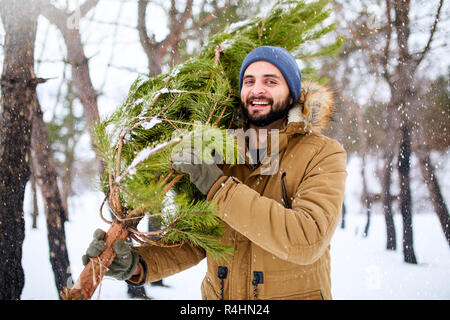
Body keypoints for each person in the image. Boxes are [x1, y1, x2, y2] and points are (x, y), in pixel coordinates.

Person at [83, 46, 347, 300]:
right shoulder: (222, 152)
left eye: (270, 81)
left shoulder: (323, 153)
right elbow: (196, 240)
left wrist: (218, 188)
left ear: (292, 94)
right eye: (249, 81)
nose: (257, 89)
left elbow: (306, 240)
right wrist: (137, 264)